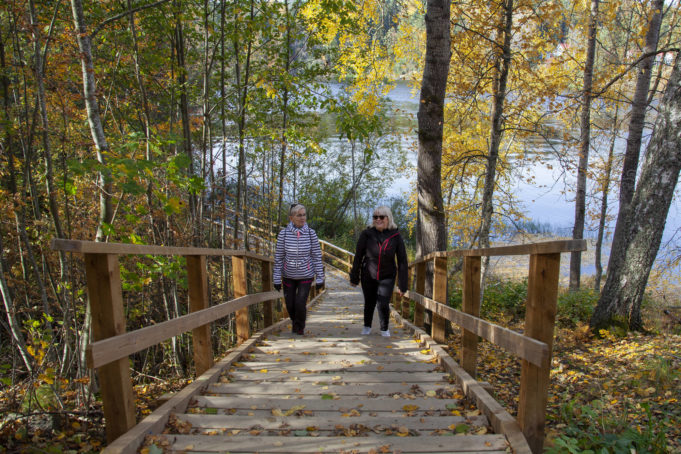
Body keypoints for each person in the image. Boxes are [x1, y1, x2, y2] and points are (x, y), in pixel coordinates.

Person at [349, 206, 408, 337]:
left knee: (383, 302)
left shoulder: (396, 236)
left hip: (387, 275)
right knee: (369, 302)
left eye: (381, 217)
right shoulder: (366, 234)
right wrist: (354, 277)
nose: (378, 219)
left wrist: (403, 285)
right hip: (368, 273)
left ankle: (384, 329)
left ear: (388, 218)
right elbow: (358, 256)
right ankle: (367, 326)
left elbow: (402, 260)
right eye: (375, 217)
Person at [273, 203, 325, 335]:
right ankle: (296, 322)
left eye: (304, 215)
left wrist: (320, 278)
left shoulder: (311, 234)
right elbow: (278, 257)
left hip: (306, 274)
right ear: (291, 218)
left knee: (300, 303)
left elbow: (316, 256)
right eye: (299, 215)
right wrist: (276, 279)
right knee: (290, 304)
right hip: (288, 274)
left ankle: (299, 327)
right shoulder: (283, 235)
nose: (302, 218)